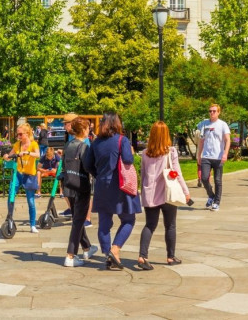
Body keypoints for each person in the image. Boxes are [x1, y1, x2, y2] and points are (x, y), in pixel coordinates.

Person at [82, 112, 141, 271]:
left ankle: (108, 254)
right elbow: (128, 160)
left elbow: (87, 165)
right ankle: (115, 249)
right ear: (117, 123)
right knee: (128, 220)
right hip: (120, 185)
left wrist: (99, 175)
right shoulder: (122, 140)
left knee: (104, 224)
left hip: (102, 184)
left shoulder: (95, 142)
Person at [138, 120, 192, 269]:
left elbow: (142, 175)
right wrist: (186, 193)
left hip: (150, 194)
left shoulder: (145, 153)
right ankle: (170, 256)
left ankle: (142, 256)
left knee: (150, 225)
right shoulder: (171, 152)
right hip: (168, 194)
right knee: (170, 225)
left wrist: (142, 192)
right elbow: (178, 174)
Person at [61, 117, 96, 267]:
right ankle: (70, 255)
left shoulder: (68, 145)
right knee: (78, 221)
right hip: (81, 187)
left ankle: (87, 248)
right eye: (88, 127)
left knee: (77, 218)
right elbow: (89, 167)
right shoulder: (83, 147)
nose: (89, 130)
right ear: (83, 130)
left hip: (69, 184)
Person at [196, 104, 231, 211]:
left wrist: (225, 154)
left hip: (218, 157)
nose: (212, 113)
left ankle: (216, 202)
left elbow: (227, 140)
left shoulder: (222, 124)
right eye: (210, 111)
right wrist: (199, 154)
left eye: (214, 111)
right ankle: (211, 195)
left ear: (218, 112)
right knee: (204, 178)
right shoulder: (205, 124)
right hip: (206, 156)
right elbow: (202, 140)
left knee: (217, 180)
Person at [10, 122, 41, 233]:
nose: (18, 136)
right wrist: (6, 156)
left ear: (27, 134)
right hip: (18, 174)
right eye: (17, 134)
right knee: (11, 197)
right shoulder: (17, 145)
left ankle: (33, 225)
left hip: (30, 175)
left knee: (31, 201)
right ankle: (9, 220)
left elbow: (38, 155)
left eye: (20, 134)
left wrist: (27, 152)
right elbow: (9, 156)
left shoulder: (33, 144)